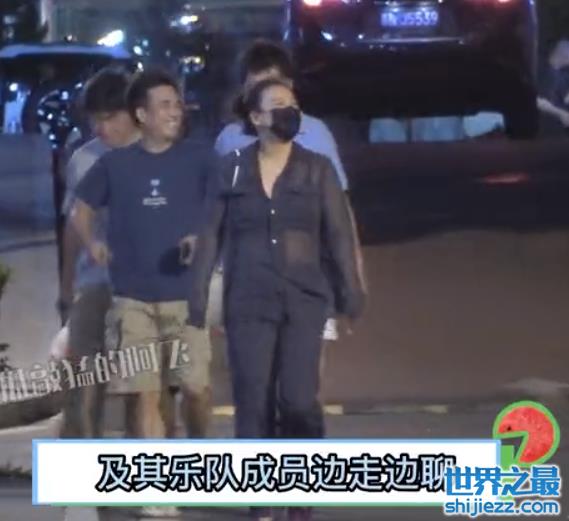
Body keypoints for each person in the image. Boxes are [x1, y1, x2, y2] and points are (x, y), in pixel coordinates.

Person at [189, 79, 366, 521]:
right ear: (256, 117)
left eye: (294, 104)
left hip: (305, 300)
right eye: (279, 105)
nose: (290, 112)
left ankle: (301, 496)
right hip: (248, 300)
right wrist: (197, 298)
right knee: (253, 399)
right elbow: (209, 234)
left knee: (299, 400)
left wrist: (351, 294)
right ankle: (262, 501)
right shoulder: (231, 169)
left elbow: (339, 235)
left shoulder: (317, 169)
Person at [72, 69, 213, 518]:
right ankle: (157, 489)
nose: (175, 112)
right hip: (131, 300)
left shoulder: (199, 158)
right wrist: (93, 243)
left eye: (177, 104)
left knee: (194, 388)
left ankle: (198, 456)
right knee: (144, 392)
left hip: (185, 299)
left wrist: (201, 238)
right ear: (142, 114)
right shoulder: (114, 165)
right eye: (165, 105)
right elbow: (80, 210)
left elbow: (221, 210)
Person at [58, 68, 139, 439]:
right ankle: (82, 456)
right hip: (94, 282)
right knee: (82, 376)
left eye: (108, 117)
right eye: (94, 119)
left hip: (145, 288)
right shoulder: (85, 158)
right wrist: (66, 289)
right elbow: (73, 228)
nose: (100, 128)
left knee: (144, 385)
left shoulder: (158, 152)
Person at [537, 39, 569, 131]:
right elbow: (541, 102)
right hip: (549, 127)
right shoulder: (543, 73)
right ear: (565, 56)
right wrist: (562, 114)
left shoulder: (562, 74)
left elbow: (565, 97)